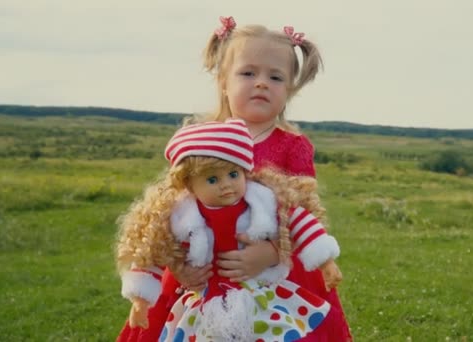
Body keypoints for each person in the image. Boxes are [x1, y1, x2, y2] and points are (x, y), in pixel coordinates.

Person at [116, 15, 352, 341]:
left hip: (276, 272)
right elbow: (177, 212)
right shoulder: (197, 141)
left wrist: (270, 253)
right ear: (223, 82)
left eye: (275, 76)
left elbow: (302, 215)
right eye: (248, 73)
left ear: (289, 90)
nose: (261, 83)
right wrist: (181, 267)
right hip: (204, 271)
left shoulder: (292, 146)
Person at [117, 120, 343, 341]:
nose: (226, 185)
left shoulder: (263, 202)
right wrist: (141, 299)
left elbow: (300, 222)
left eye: (233, 174)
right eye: (212, 179)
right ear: (189, 185)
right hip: (207, 303)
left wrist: (326, 261)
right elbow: (153, 251)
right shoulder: (180, 217)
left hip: (260, 296)